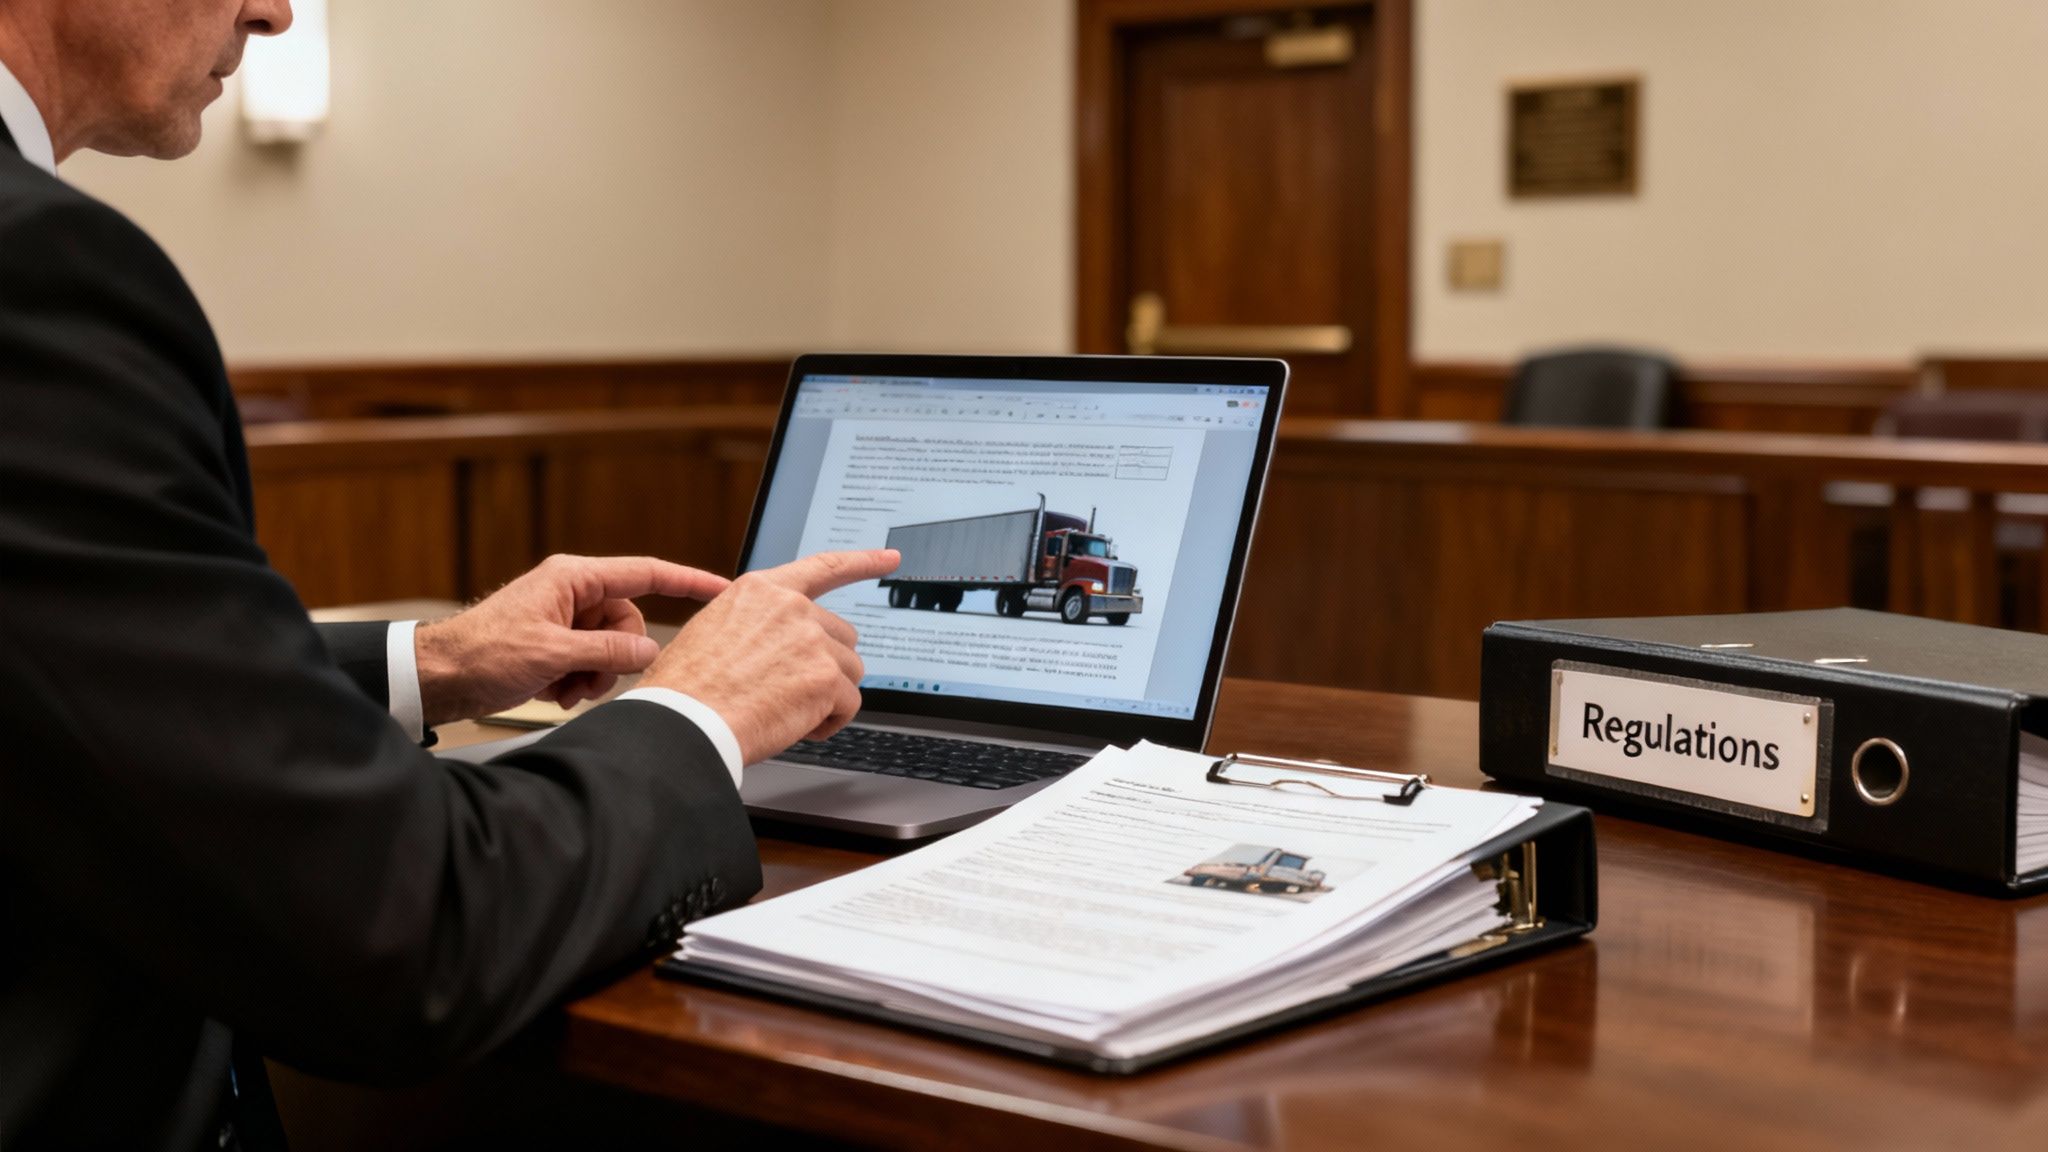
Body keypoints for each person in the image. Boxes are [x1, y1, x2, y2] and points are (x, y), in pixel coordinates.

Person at [0, 2, 897, 1148]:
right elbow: (394, 932)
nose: (276, 10)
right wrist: (696, 713)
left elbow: (58, 676)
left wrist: (428, 662)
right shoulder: (37, 269)